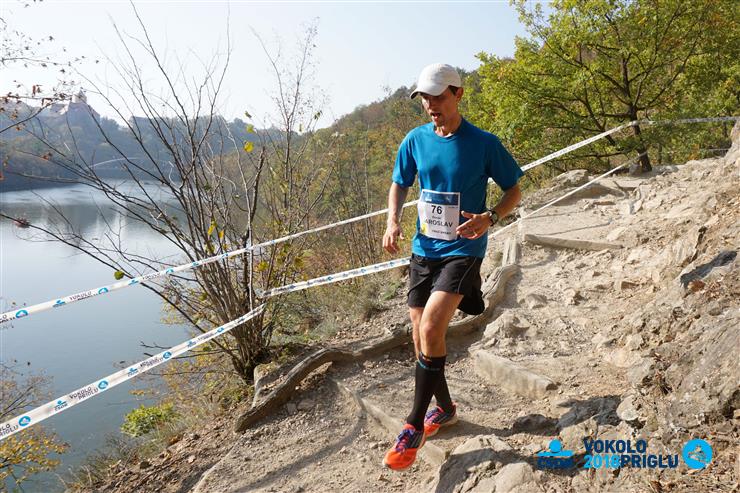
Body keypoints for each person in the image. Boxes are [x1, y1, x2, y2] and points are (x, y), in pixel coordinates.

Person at [381, 63, 523, 471]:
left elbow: (514, 189)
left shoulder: (484, 143)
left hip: (464, 247)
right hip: (424, 248)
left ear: (458, 94)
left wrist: (490, 218)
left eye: (439, 97)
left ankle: (413, 426)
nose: (431, 105)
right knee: (419, 334)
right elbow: (399, 183)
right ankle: (443, 408)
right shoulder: (415, 140)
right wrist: (392, 220)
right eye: (425, 98)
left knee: (431, 327)